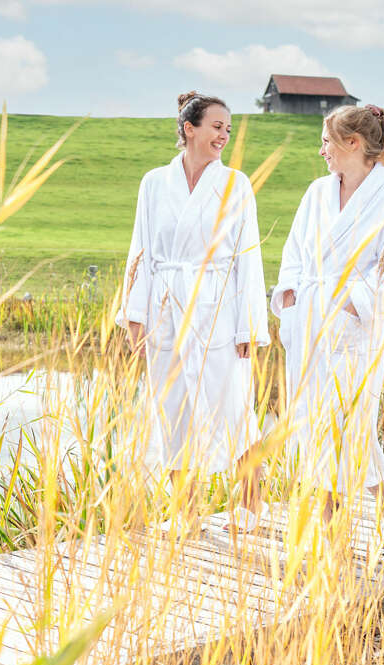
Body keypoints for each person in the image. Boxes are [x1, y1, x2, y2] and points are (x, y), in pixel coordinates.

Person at [116, 91, 270, 531]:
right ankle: (185, 514)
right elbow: (140, 251)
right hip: (166, 307)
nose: (225, 135)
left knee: (235, 406)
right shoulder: (153, 183)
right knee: (173, 409)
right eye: (217, 126)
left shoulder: (235, 184)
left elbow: (249, 256)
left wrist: (249, 326)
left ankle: (249, 506)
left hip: (217, 310)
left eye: (227, 128)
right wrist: (135, 317)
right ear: (190, 129)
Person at [270, 104, 384, 524]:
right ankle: (353, 526)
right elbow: (294, 254)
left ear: (352, 143)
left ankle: (363, 523)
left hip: (354, 330)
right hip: (311, 324)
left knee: (352, 425)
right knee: (315, 423)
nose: (321, 152)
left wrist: (355, 302)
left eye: (326, 142)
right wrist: (295, 301)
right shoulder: (317, 192)